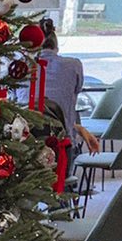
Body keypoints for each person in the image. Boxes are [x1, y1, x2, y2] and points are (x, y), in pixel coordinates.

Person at [39, 22, 99, 150]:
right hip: (63, 139)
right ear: (56, 46)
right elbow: (76, 90)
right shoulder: (74, 65)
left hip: (26, 137)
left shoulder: (20, 69)